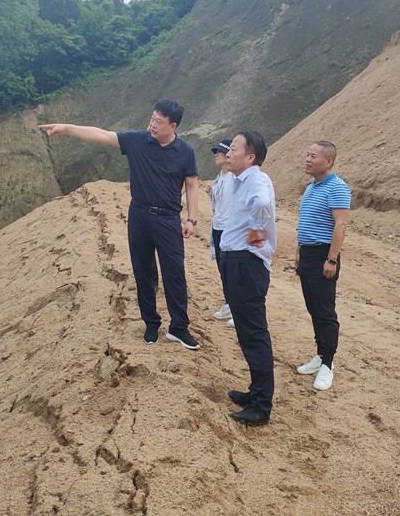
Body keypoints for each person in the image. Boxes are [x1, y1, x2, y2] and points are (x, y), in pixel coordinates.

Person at [38, 100, 201, 351]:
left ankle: (178, 328)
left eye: (158, 121)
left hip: (168, 218)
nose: (152, 124)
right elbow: (101, 135)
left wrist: (191, 219)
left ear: (173, 126)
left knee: (174, 273)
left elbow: (191, 185)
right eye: (152, 118)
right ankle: (151, 323)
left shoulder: (185, 151)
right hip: (139, 215)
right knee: (143, 272)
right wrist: (67, 128)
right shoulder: (137, 141)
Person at [219, 131, 277, 426]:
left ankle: (261, 406)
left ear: (250, 157)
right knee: (246, 332)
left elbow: (263, 203)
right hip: (237, 262)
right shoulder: (242, 180)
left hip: (246, 264)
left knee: (254, 334)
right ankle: (255, 392)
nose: (228, 153)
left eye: (233, 149)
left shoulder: (257, 180)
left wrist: (255, 229)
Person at [294, 141, 351, 390]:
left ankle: (328, 363)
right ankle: (320, 354)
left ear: (328, 161)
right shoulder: (311, 187)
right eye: (307, 155)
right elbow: (306, 222)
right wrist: (299, 250)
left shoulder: (337, 188)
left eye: (313, 156)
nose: (307, 159)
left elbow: (340, 225)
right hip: (307, 254)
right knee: (313, 307)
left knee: (326, 311)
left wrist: (332, 259)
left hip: (323, 255)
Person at [207, 138, 234, 325]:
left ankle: (237, 308)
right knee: (223, 269)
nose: (216, 155)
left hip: (228, 229)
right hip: (217, 227)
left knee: (231, 269)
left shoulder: (234, 176)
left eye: (219, 152)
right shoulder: (220, 176)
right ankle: (230, 303)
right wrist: (212, 193)